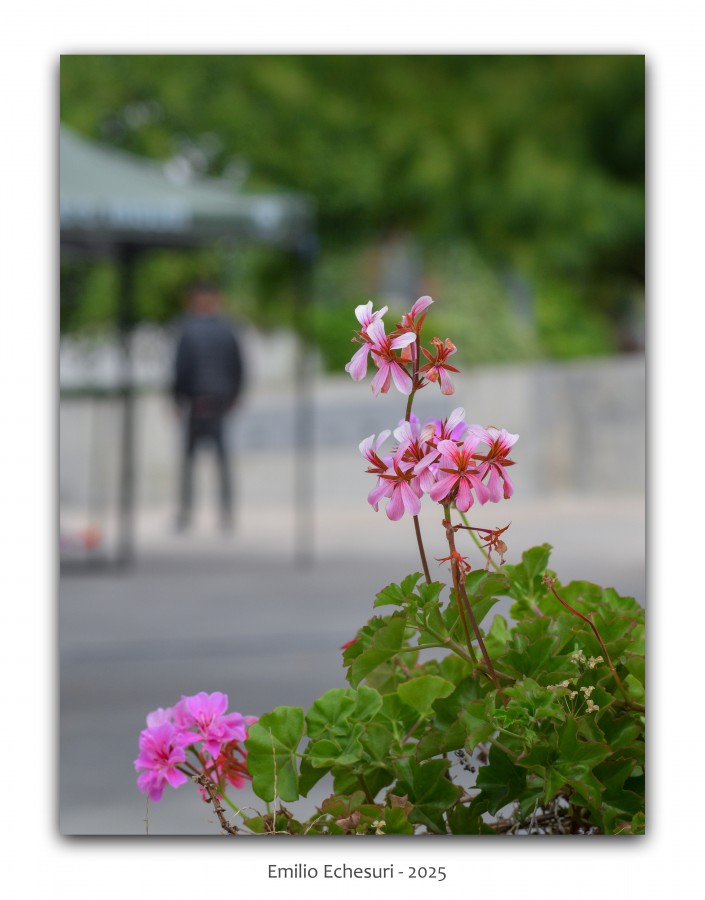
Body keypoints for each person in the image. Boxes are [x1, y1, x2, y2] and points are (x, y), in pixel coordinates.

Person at [172, 282, 245, 531]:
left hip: (196, 401)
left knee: (191, 461)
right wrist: (235, 396)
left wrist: (177, 399)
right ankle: (224, 514)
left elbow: (180, 368)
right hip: (219, 401)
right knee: (220, 460)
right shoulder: (227, 328)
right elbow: (238, 366)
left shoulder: (187, 328)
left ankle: (187, 514)